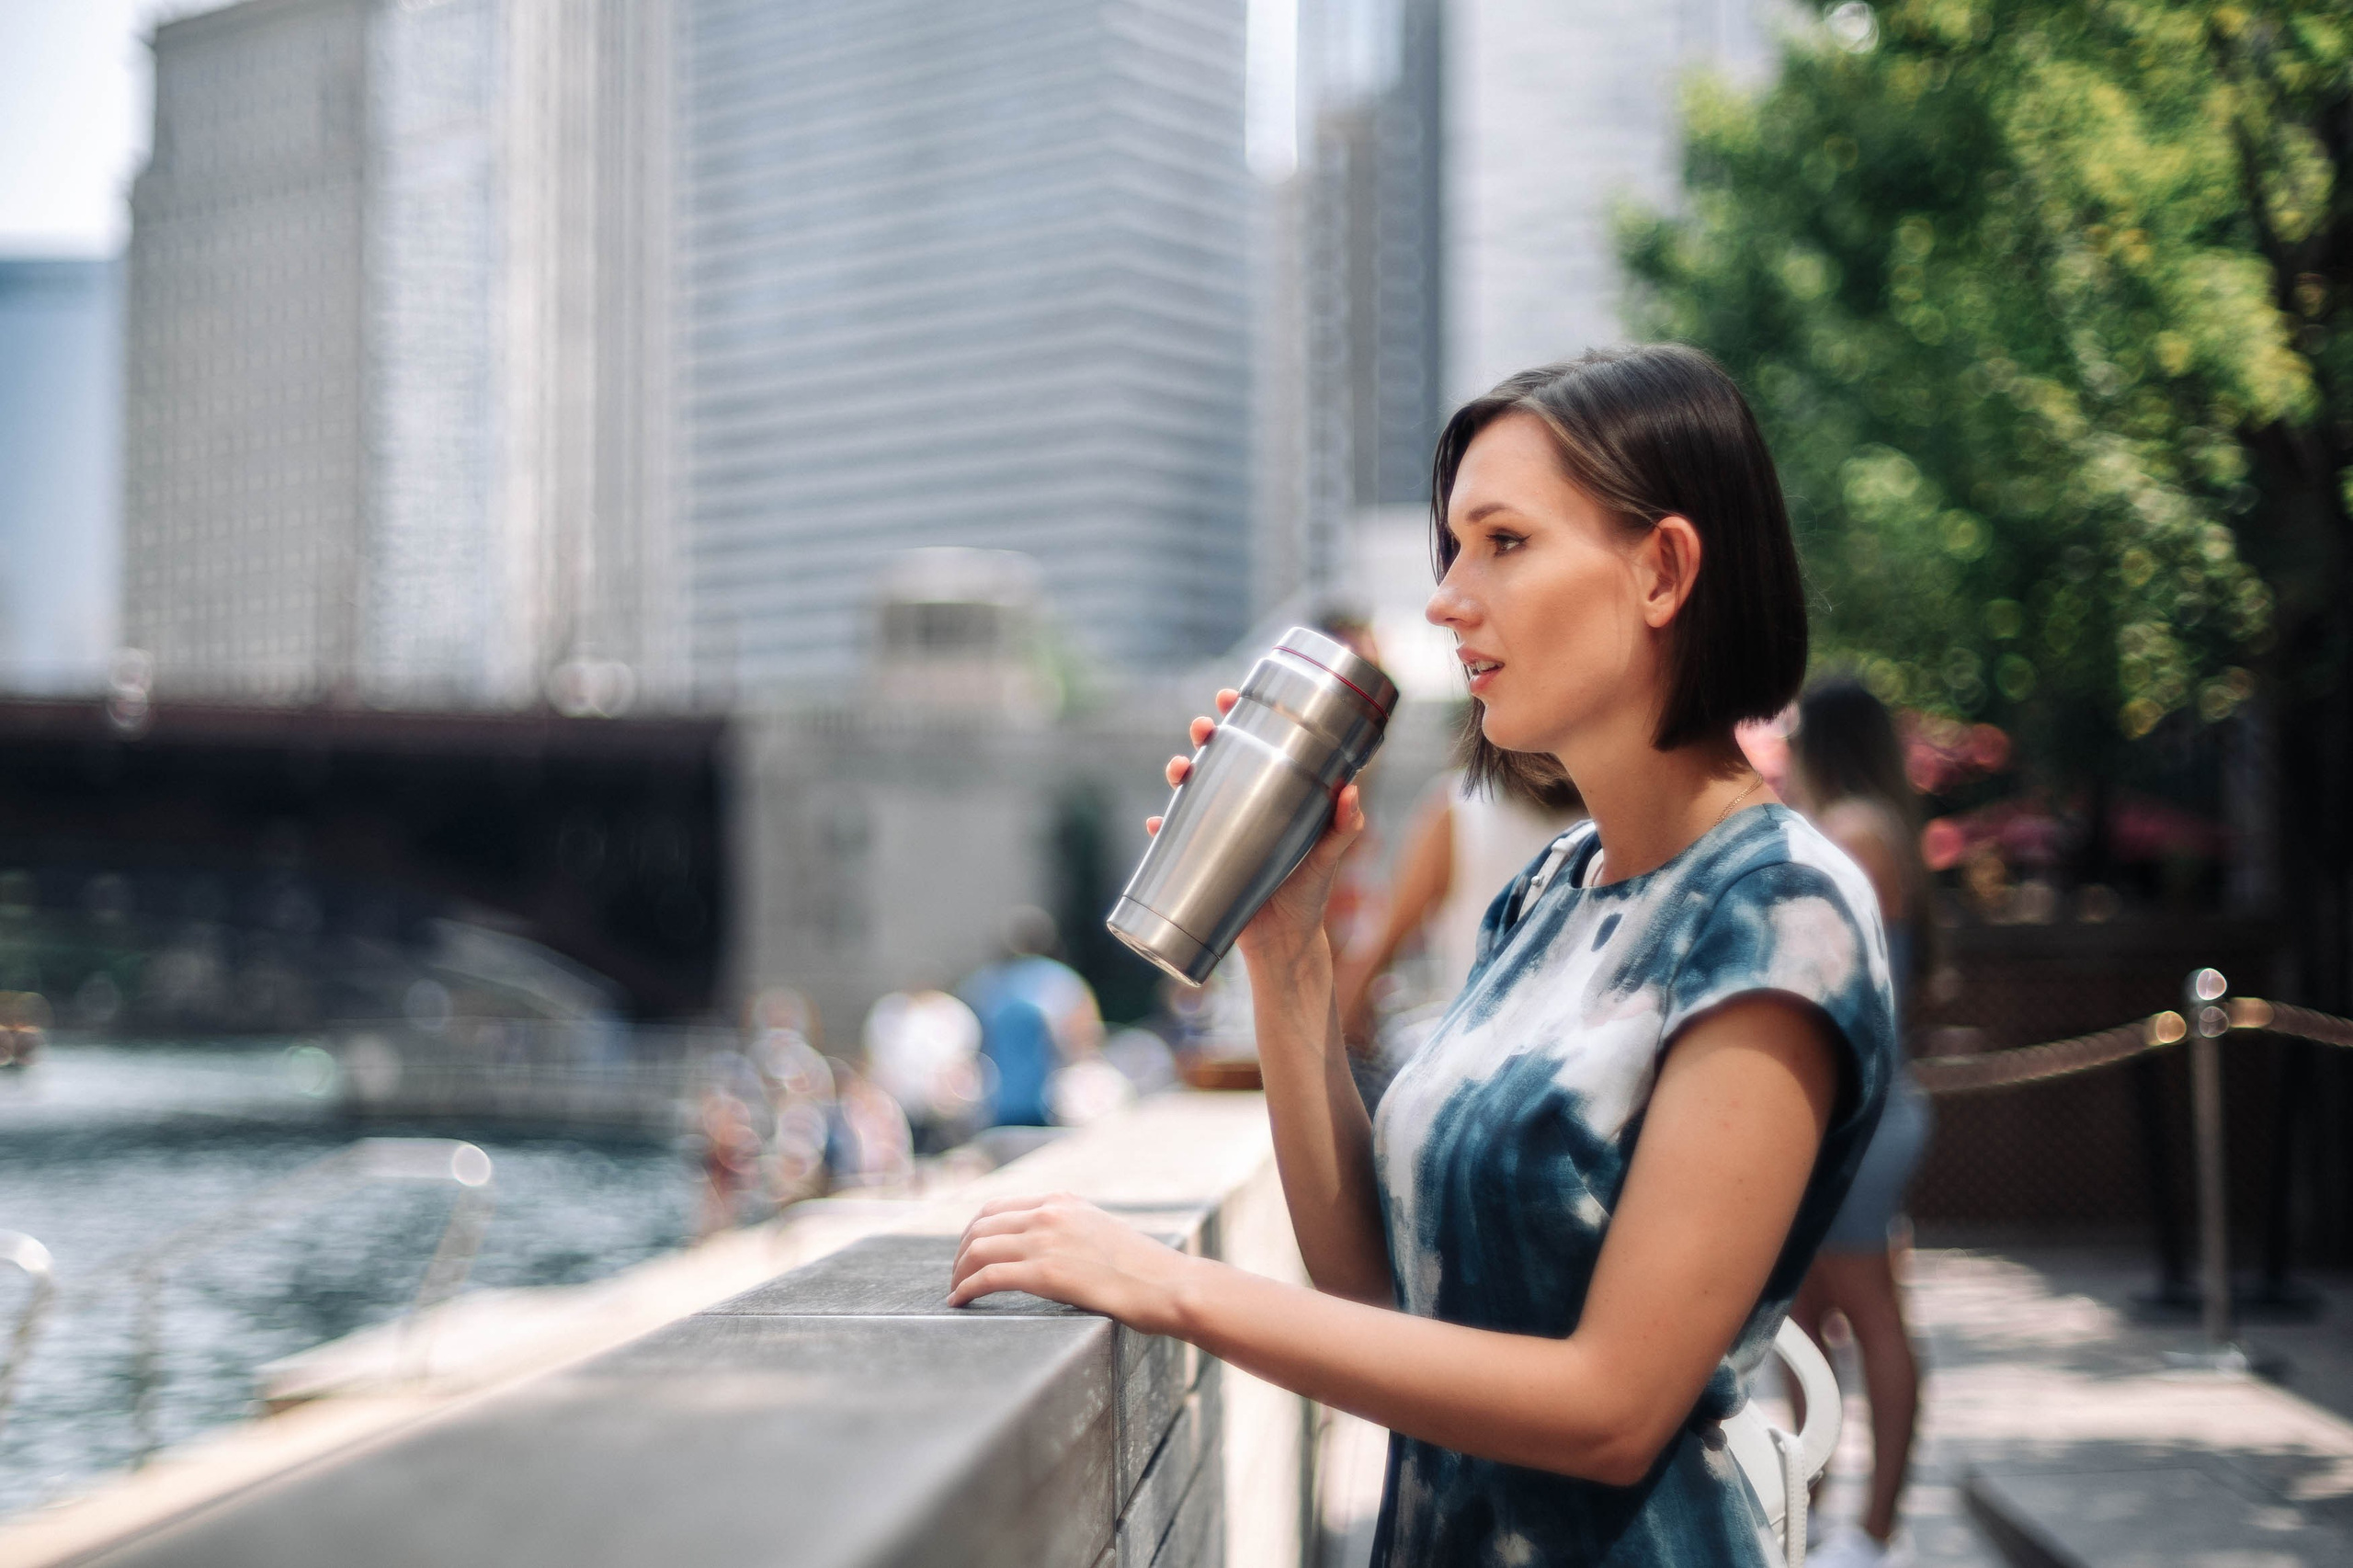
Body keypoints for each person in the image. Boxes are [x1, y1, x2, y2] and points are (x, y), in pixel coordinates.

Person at [946, 345, 1894, 1567]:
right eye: (1452, 548)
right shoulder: (1548, 890)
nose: (1448, 598)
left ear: (1662, 570)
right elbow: (1380, 1283)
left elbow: (1612, 1408)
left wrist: (1167, 1284)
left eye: (1503, 542)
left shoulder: (1780, 910)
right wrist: (1288, 955)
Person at [1783, 678, 1936, 1568]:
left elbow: (1820, 977)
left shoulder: (1854, 833)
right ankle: (1813, 1518)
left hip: (1857, 1115)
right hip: (1841, 1110)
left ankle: (1872, 1532)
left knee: (1869, 1309)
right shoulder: (1868, 827)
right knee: (1804, 1317)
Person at [958, 906, 1103, 1127]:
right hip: (1052, 1101)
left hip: (997, 1102)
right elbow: (1084, 1033)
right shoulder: (1060, 980)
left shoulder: (986, 982)